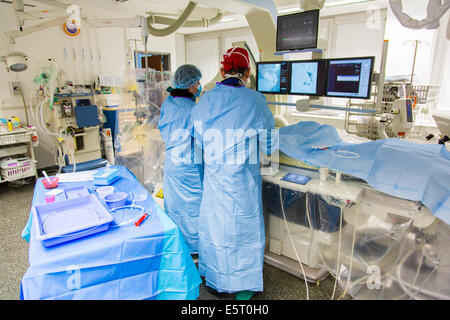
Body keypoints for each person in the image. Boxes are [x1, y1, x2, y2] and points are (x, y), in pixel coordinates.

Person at [190, 47, 276, 300]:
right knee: (243, 231)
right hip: (242, 184)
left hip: (216, 180)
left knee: (216, 229)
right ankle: (244, 285)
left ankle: (215, 277)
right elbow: (270, 143)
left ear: (221, 70)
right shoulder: (256, 100)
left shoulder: (205, 100)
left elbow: (196, 142)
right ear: (248, 72)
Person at [158, 64, 204, 254]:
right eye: (197, 83)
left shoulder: (168, 104)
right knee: (193, 209)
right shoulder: (193, 109)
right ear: (190, 85)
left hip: (172, 165)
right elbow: (203, 138)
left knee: (175, 207)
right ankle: (194, 250)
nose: (199, 86)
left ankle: (179, 248)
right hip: (189, 168)